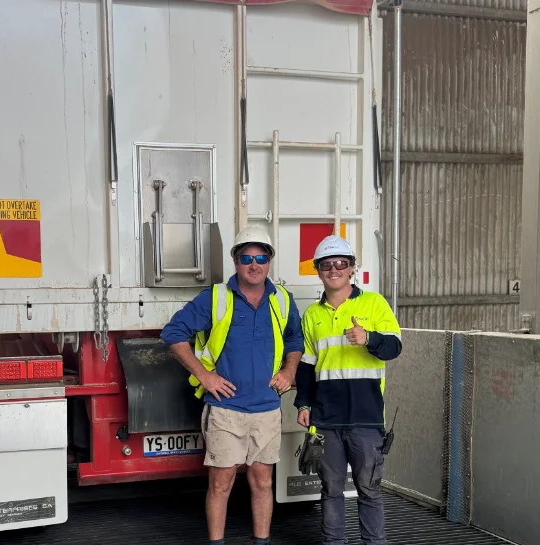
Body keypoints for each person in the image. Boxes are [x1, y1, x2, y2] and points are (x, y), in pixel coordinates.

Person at [161, 225, 303, 545]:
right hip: (226, 410)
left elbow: (295, 338)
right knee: (221, 485)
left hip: (267, 408)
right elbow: (173, 334)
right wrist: (205, 376)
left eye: (261, 257)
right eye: (246, 257)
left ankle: (262, 542)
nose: (255, 264)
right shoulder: (215, 298)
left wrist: (290, 370)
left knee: (263, 483)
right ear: (235, 261)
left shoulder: (281, 299)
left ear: (270, 261)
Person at [294, 235, 402, 545]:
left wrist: (368, 337)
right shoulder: (312, 316)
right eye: (327, 265)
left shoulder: (374, 303)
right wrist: (303, 405)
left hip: (367, 419)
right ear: (318, 271)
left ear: (352, 268)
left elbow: (394, 347)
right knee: (330, 492)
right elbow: (306, 367)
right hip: (326, 420)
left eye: (341, 263)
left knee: (369, 490)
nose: (334, 269)